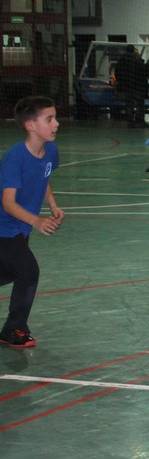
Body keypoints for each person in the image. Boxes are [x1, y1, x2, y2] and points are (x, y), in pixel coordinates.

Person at [0, 96, 63, 349]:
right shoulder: (14, 158)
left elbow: (44, 177)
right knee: (28, 272)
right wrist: (36, 221)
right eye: (49, 119)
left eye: (55, 118)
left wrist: (53, 205)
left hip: (19, 228)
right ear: (31, 125)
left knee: (7, 272)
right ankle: (13, 329)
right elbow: (8, 204)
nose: (56, 123)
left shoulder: (51, 150)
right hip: (4, 229)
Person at [114, 45, 148, 128]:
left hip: (126, 86)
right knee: (140, 104)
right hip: (137, 85)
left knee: (129, 105)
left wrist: (122, 81)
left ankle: (130, 122)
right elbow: (143, 73)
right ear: (133, 50)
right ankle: (140, 121)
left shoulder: (121, 61)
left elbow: (117, 73)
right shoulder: (138, 60)